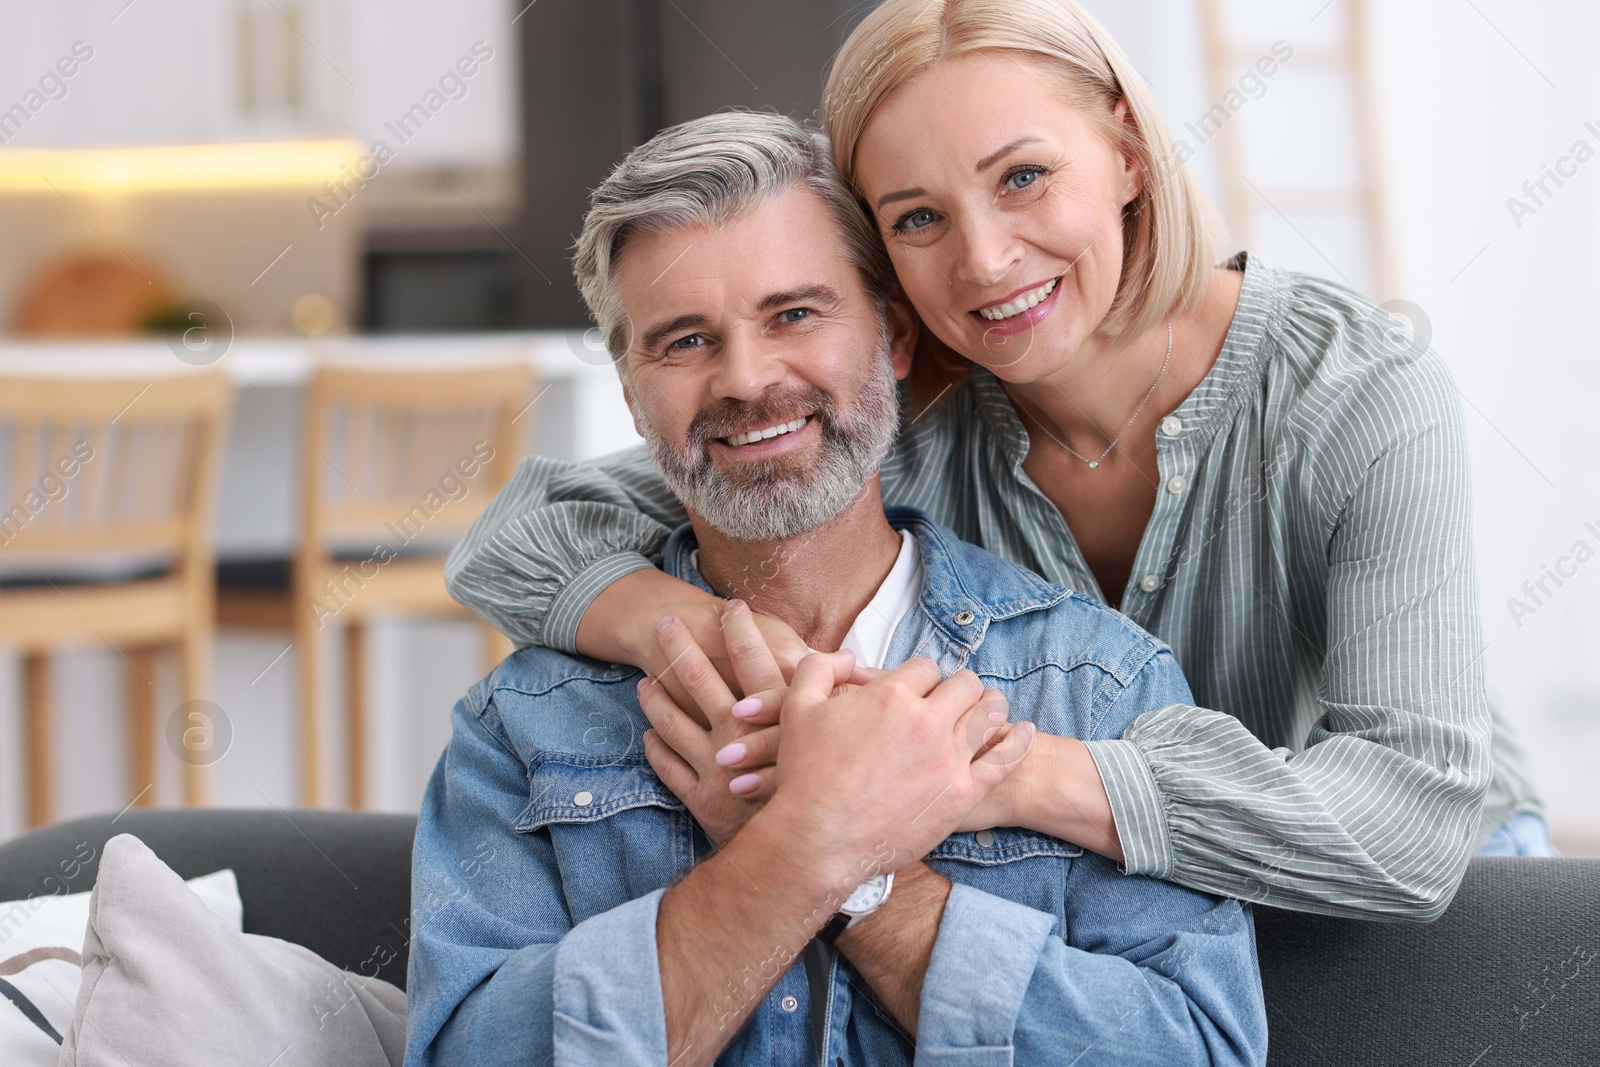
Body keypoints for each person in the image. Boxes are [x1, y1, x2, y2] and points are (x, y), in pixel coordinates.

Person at [445, 0, 1551, 922]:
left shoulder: (1354, 392)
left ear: (1123, 149)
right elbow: (521, 535)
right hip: (1141, 903)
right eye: (918, 216)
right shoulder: (911, 421)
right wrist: (733, 646)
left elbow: (1406, 825)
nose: (983, 258)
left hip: (1419, 910)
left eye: (1021, 178)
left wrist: (976, 768)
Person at [405, 112, 1266, 1067]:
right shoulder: (523, 726)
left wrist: (862, 880)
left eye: (795, 315)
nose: (747, 377)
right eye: (684, 340)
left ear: (895, 336)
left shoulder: (1098, 684)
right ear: (629, 388)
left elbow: (1196, 1051)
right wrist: (804, 851)